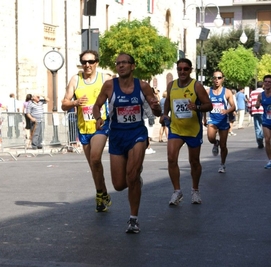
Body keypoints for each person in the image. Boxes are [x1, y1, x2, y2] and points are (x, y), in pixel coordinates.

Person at [93, 53, 161, 233]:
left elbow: (157, 111)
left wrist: (156, 107)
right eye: (118, 63)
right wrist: (98, 118)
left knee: (131, 175)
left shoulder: (143, 86)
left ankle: (133, 219)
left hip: (137, 133)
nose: (120, 66)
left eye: (124, 63)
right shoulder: (109, 86)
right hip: (116, 136)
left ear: (133, 66)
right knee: (119, 184)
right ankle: (136, 179)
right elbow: (96, 105)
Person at [61, 49, 112, 212]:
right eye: (84, 62)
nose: (87, 65)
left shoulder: (105, 79)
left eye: (90, 62)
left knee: (96, 159)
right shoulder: (76, 80)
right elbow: (64, 103)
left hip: (100, 127)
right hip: (84, 128)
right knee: (93, 165)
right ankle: (103, 192)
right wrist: (75, 103)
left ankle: (99, 195)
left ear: (96, 63)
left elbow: (117, 98)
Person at [160, 58, 212, 205]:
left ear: (190, 70)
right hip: (176, 129)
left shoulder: (197, 86)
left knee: (194, 162)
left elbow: (209, 105)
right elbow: (168, 103)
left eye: (185, 69)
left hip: (193, 130)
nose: (182, 71)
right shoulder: (171, 85)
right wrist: (165, 115)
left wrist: (197, 108)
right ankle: (177, 191)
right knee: (171, 158)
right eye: (180, 69)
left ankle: (195, 190)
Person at [203, 71, 236, 173]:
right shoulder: (208, 91)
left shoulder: (227, 92)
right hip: (212, 119)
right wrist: (204, 118)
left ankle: (222, 164)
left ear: (222, 79)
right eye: (215, 78)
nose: (217, 80)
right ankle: (215, 143)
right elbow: (204, 105)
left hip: (223, 120)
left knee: (223, 145)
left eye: (219, 78)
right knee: (210, 138)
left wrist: (226, 111)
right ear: (212, 79)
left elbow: (233, 106)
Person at [255, 75, 271, 169]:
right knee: (267, 140)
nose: (267, 83)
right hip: (266, 120)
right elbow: (257, 104)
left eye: (269, 82)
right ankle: (270, 160)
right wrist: (257, 104)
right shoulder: (261, 95)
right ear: (264, 83)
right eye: (266, 81)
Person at [248, 81, 264, 148]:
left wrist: (250, 111)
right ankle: (261, 137)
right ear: (263, 85)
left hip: (255, 111)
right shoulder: (264, 92)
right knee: (264, 127)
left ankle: (259, 141)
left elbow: (249, 103)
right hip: (263, 111)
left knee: (257, 127)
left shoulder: (252, 92)